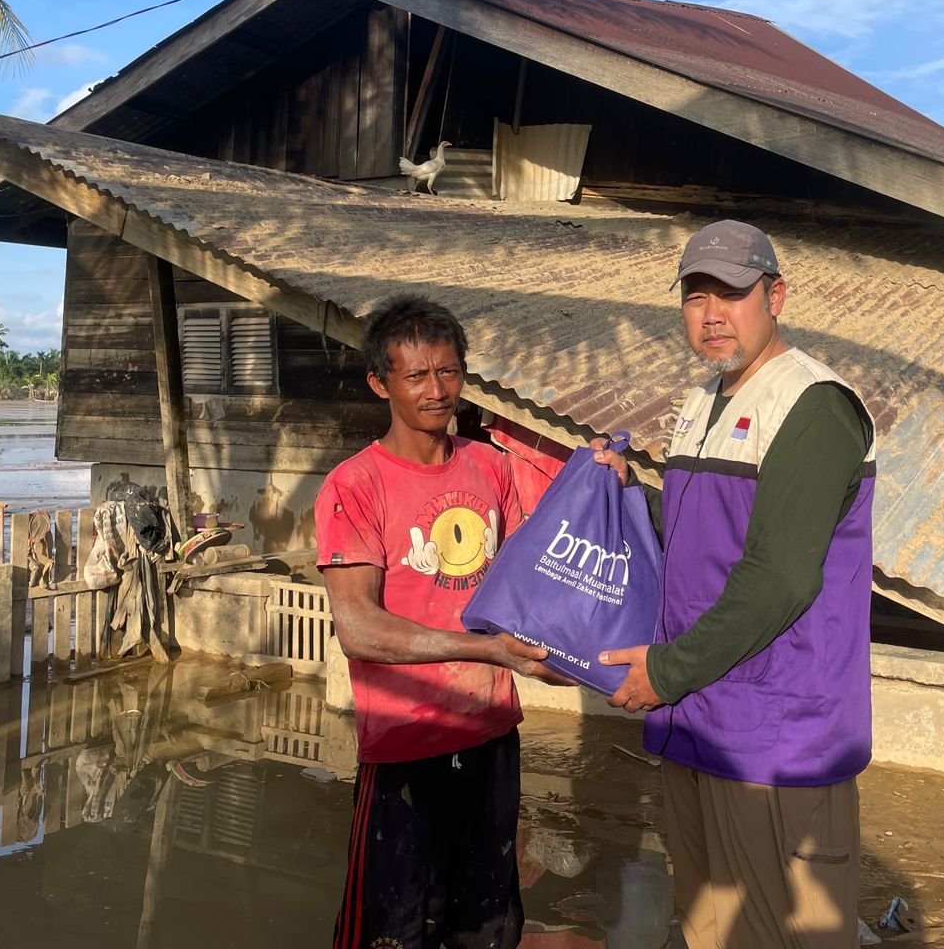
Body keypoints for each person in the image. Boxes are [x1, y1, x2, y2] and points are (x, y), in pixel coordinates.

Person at [593, 220, 876, 949]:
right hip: (700, 722)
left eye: (732, 293)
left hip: (775, 741)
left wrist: (665, 671)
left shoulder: (813, 406)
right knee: (709, 931)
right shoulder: (702, 404)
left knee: (782, 936)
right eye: (696, 296)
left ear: (774, 297)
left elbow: (779, 577)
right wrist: (626, 495)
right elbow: (696, 533)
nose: (712, 314)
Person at [316, 292, 560, 949]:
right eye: (417, 375)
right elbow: (359, 629)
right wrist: (488, 651)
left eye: (448, 371)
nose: (436, 390)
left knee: (487, 925)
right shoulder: (354, 485)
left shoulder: (491, 467)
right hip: (405, 749)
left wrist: (602, 476)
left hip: (491, 736)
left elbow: (547, 562)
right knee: (393, 931)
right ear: (380, 383)